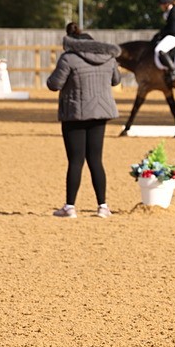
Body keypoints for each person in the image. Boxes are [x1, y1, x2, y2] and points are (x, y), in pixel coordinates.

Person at [46, 22, 122, 218]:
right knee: (96, 160)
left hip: (75, 112)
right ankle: (103, 206)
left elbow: (54, 84)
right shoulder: (108, 58)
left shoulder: (69, 58)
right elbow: (116, 80)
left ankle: (70, 207)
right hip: (100, 112)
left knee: (75, 160)